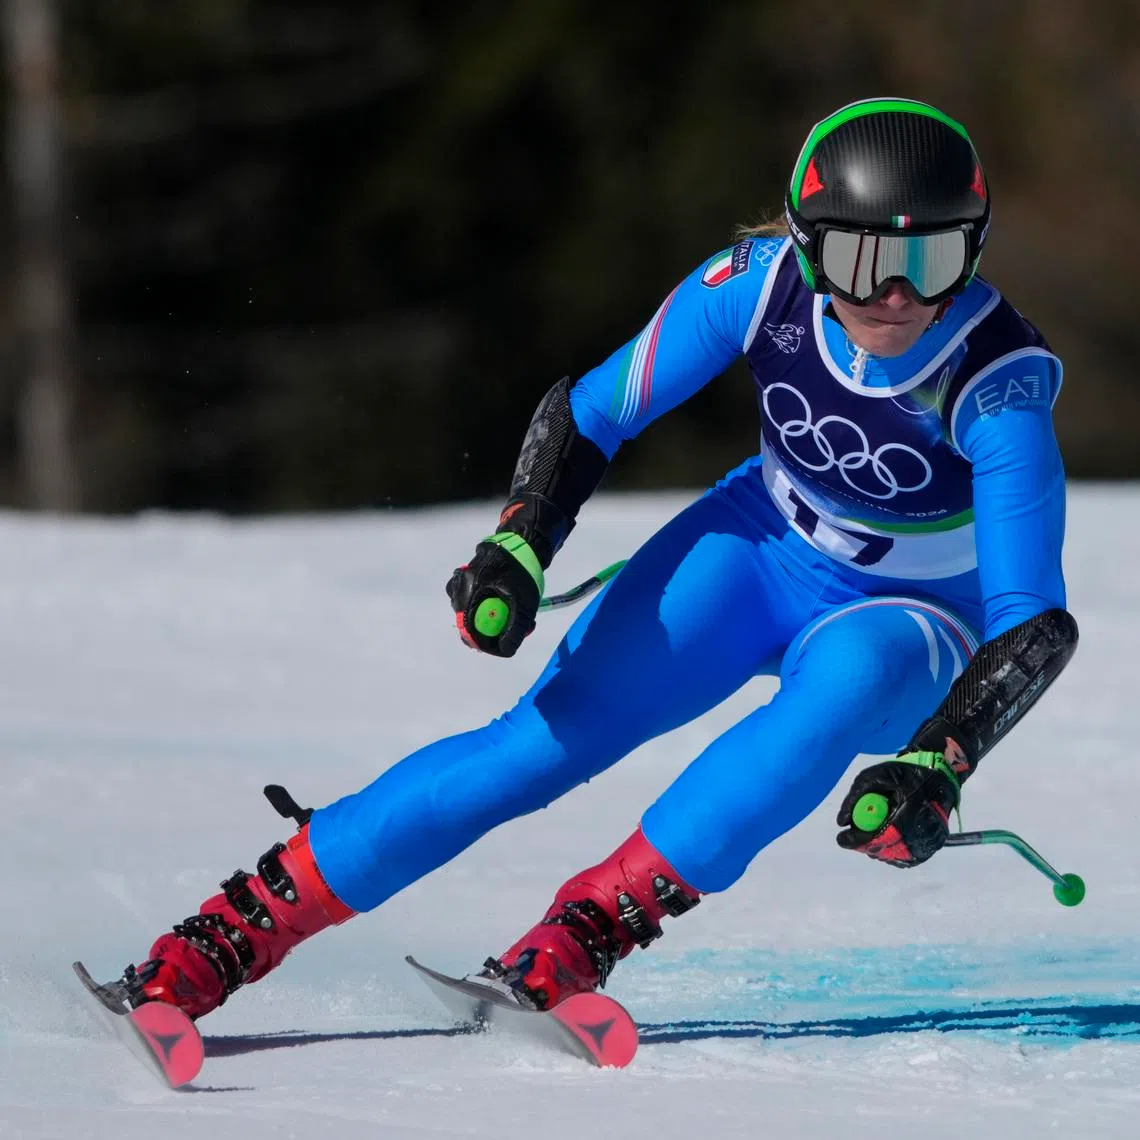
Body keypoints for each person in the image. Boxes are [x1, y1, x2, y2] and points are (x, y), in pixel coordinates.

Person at [114, 97, 1078, 1019]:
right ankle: (234, 930)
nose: (898, 295)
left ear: (975, 247)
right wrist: (519, 544)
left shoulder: (996, 384)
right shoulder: (759, 283)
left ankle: (583, 935)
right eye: (864, 259)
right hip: (763, 548)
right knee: (536, 745)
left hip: (909, 616)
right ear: (807, 243)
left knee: (846, 680)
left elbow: (1029, 621)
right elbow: (596, 410)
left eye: (935, 256)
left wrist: (939, 762)